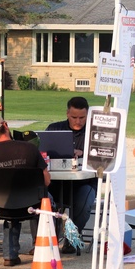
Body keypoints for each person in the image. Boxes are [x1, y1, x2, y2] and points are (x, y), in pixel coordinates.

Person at [0, 115, 50, 266]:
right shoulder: (29, 148)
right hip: (32, 205)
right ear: (5, 125)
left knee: (10, 209)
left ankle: (9, 255)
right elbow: (46, 181)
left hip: (1, 206)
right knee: (48, 201)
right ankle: (41, 247)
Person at [47, 95, 93, 251]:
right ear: (67, 113)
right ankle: (44, 241)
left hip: (83, 183)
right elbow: (42, 154)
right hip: (55, 183)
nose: (78, 121)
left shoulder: (94, 134)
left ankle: (72, 236)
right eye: (74, 117)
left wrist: (84, 154)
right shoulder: (54, 129)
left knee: (85, 200)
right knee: (40, 195)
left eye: (82, 117)